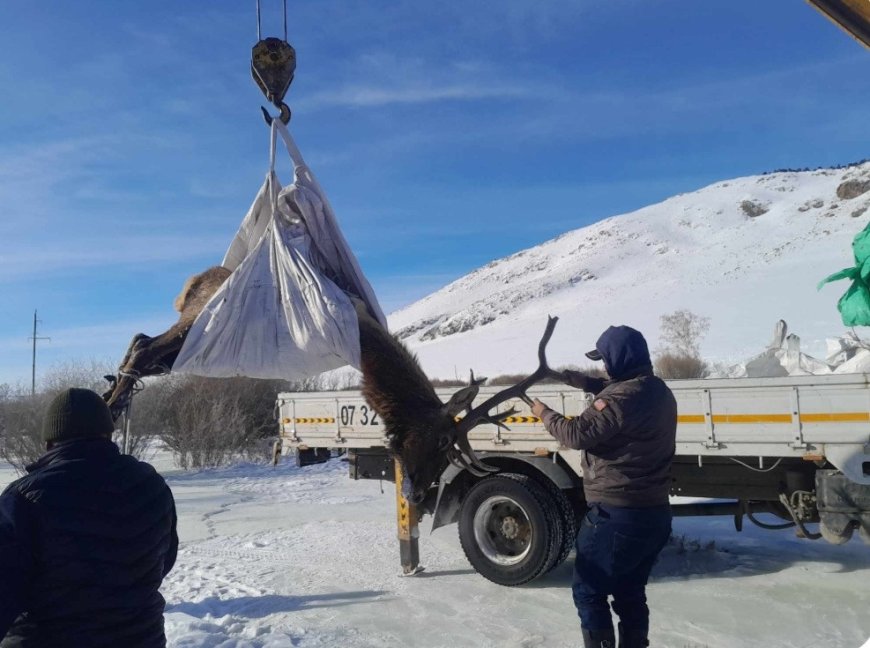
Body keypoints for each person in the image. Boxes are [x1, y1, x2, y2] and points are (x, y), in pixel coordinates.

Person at [531, 325, 676, 648]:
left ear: (619, 360)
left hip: (616, 515)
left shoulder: (619, 400)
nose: (604, 367)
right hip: (654, 513)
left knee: (588, 591)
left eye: (606, 361)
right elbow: (616, 389)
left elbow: (575, 435)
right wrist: (578, 379)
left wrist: (545, 413)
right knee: (629, 593)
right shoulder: (657, 390)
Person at [0, 388, 178, 648]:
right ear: (108, 434)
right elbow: (163, 562)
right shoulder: (152, 485)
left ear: (50, 441)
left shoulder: (24, 499)